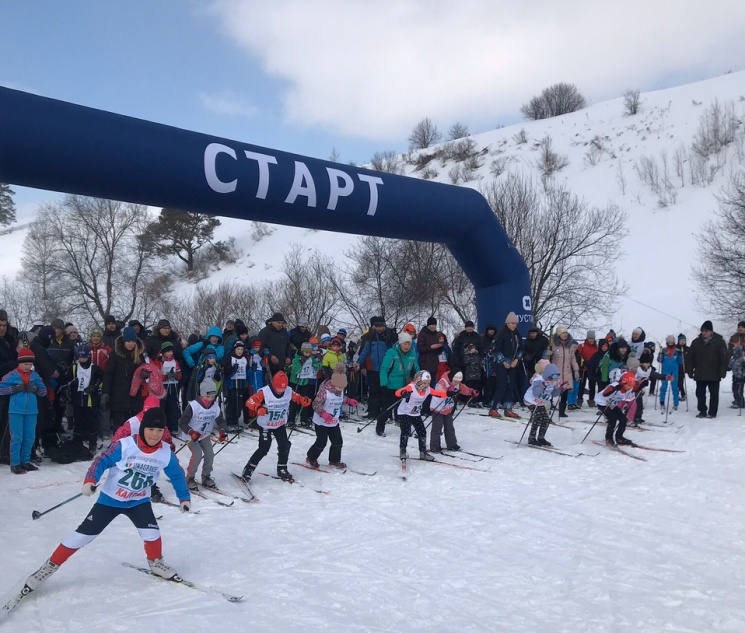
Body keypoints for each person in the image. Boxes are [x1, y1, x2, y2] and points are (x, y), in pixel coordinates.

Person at [23, 408, 191, 595]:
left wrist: (184, 498)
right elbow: (101, 461)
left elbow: (177, 475)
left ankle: (156, 563)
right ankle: (48, 568)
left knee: (152, 533)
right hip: (111, 500)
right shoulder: (125, 445)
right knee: (83, 536)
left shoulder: (165, 452)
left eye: (160, 431)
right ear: (143, 428)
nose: (155, 434)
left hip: (139, 501)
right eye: (151, 429)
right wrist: (90, 480)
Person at [241, 372, 311, 483]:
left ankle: (282, 468)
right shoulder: (264, 392)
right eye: (278, 388)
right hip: (266, 425)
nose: (281, 391)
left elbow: (297, 397)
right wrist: (258, 407)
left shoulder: (288, 390)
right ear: (273, 384)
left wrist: (303, 400)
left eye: (282, 389)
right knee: (264, 448)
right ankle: (249, 469)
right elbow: (250, 401)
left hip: (279, 424)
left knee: (285, 445)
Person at [0, 348, 48, 473]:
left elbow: (44, 392)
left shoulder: (35, 376)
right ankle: (15, 463)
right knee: (17, 437)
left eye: (30, 364)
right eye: (25, 364)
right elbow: (1, 389)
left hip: (32, 411)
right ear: (19, 363)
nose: (28, 366)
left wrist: (35, 389)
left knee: (29, 437)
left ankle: (25, 461)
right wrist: (14, 389)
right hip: (16, 411)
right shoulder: (12, 375)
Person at [306, 363, 359, 468]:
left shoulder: (341, 390)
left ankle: (334, 460)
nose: (340, 389)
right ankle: (311, 458)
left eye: (343, 387)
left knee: (338, 441)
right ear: (334, 384)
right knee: (321, 442)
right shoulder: (324, 392)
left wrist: (348, 400)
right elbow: (315, 404)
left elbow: (339, 399)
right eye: (339, 387)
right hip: (321, 422)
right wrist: (323, 413)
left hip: (334, 421)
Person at [179, 379, 227, 490]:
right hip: (191, 436)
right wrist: (191, 432)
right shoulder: (193, 406)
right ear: (201, 395)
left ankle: (206, 476)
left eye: (212, 397)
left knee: (210, 454)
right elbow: (182, 423)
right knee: (197, 454)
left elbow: (221, 421)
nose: (210, 400)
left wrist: (222, 431)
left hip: (204, 435)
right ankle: (190, 477)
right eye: (207, 397)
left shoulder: (215, 407)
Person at [102, 326, 147, 431]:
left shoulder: (139, 355)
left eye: (133, 341)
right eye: (128, 341)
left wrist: (145, 374)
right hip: (118, 395)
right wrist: (105, 392)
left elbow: (145, 369)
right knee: (119, 425)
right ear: (123, 341)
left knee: (133, 425)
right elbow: (109, 374)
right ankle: (118, 444)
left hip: (134, 396)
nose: (131, 344)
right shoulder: (115, 354)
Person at [394, 370, 446, 461]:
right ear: (418, 380)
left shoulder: (428, 389)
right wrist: (404, 393)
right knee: (406, 431)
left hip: (415, 414)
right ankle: (403, 451)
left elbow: (439, 394)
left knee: (422, 432)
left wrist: (449, 393)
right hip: (404, 412)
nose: (426, 385)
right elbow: (398, 392)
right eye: (424, 382)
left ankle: (423, 453)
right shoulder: (411, 387)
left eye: (428, 383)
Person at [356, 316, 396, 427]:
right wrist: (359, 362)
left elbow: (395, 350)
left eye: (380, 326)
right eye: (377, 326)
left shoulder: (390, 335)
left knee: (385, 392)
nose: (378, 328)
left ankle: (386, 414)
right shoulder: (372, 336)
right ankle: (373, 412)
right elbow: (365, 351)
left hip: (386, 369)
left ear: (384, 325)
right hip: (374, 368)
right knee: (373, 391)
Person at [379, 332, 420, 437]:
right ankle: (380, 428)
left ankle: (405, 429)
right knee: (386, 408)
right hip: (391, 385)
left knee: (405, 409)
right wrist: (383, 384)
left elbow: (416, 369)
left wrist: (419, 381)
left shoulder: (412, 354)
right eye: (405, 344)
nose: (407, 346)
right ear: (400, 343)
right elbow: (384, 369)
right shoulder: (392, 352)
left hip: (405, 386)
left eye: (409, 344)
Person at [67, 345, 104, 458]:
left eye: (84, 357)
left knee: (91, 421)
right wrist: (68, 390)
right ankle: (77, 442)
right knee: (78, 421)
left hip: (90, 400)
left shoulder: (95, 368)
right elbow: (68, 380)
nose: (81, 359)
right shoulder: (74, 367)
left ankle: (92, 443)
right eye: (79, 357)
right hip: (77, 399)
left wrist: (95, 387)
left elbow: (101, 380)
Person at [687, 320, 729, 418]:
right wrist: (689, 370)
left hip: (714, 373)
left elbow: (724, 358)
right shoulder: (696, 342)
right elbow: (690, 357)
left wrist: (722, 371)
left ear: (711, 331)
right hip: (700, 373)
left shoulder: (719, 342)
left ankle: (712, 412)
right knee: (700, 394)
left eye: (706, 331)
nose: (704, 332)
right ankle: (702, 410)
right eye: (702, 330)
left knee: (714, 394)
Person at [428, 371, 478, 453]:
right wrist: (447, 392)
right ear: (451, 379)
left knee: (449, 427)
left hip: (448, 409)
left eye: (458, 382)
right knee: (437, 428)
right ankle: (434, 446)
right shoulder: (442, 382)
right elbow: (439, 391)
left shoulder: (458, 383)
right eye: (455, 382)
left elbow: (464, 389)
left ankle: (452, 444)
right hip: (438, 409)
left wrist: (471, 391)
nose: (456, 384)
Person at [488, 312, 524, 419]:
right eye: (512, 323)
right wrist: (503, 362)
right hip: (501, 363)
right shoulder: (501, 334)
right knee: (502, 386)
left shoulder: (517, 335)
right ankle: (494, 408)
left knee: (511, 385)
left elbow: (521, 349)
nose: (514, 325)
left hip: (513, 364)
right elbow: (496, 350)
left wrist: (517, 360)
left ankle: (508, 408)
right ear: (507, 323)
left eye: (515, 324)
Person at [594, 371, 638, 446]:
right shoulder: (615, 385)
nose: (630, 388)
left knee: (623, 419)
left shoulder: (628, 388)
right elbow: (605, 394)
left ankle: (619, 437)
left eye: (631, 386)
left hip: (612, 404)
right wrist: (613, 389)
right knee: (613, 419)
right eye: (629, 385)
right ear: (624, 382)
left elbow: (636, 388)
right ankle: (608, 438)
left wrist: (642, 385)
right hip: (602, 403)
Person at [524, 362, 562, 447]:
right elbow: (536, 393)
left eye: (556, 376)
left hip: (541, 402)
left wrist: (559, 388)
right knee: (538, 417)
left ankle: (541, 437)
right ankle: (531, 438)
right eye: (552, 376)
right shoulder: (539, 379)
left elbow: (554, 394)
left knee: (545, 419)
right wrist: (543, 385)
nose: (553, 379)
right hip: (531, 400)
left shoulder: (553, 382)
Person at [289, 341, 322, 428]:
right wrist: (300, 363)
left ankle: (304, 419)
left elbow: (316, 367)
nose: (308, 354)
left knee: (305, 401)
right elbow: (294, 370)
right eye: (306, 352)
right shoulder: (296, 358)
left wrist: (319, 361)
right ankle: (290, 420)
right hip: (296, 382)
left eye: (309, 352)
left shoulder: (311, 358)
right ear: (302, 351)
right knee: (295, 401)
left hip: (305, 382)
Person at [550, 326, 579, 418]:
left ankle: (562, 411)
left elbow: (573, 359)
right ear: (558, 334)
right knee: (552, 390)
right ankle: (549, 406)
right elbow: (550, 359)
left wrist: (576, 370)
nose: (565, 334)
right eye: (563, 333)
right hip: (556, 372)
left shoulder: (570, 346)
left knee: (565, 391)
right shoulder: (553, 345)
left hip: (567, 372)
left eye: (566, 332)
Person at [223, 340, 249, 431]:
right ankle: (230, 422)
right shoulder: (230, 357)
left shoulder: (245, 358)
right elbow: (226, 371)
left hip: (242, 383)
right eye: (238, 349)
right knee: (232, 403)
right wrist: (232, 369)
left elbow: (247, 370)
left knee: (239, 404)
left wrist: (251, 368)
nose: (240, 351)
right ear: (235, 349)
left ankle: (235, 421)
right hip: (232, 384)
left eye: (241, 349)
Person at [158, 341, 182, 434]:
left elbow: (180, 375)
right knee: (163, 406)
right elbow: (157, 375)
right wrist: (166, 377)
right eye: (167, 352)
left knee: (173, 407)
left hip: (173, 386)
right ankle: (163, 427)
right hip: (163, 387)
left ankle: (173, 427)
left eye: (171, 351)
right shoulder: (160, 362)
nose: (170, 353)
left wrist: (176, 375)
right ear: (163, 352)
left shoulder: (175, 362)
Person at [658, 336, 684, 412]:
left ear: (674, 342)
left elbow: (680, 362)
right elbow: (659, 360)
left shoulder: (677, 351)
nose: (670, 344)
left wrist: (680, 355)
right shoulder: (664, 350)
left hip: (674, 372)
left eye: (672, 342)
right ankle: (662, 402)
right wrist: (660, 354)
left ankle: (676, 403)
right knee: (663, 387)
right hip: (665, 372)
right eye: (669, 342)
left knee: (675, 388)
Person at [729, 343, 745, 409]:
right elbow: (729, 366)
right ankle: (736, 400)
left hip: (741, 377)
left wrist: (743, 375)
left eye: (735, 351)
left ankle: (741, 402)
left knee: (739, 390)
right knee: (734, 389)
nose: (734, 352)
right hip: (735, 377)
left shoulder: (742, 360)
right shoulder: (733, 359)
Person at [676, 334, 689, 401]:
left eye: (684, 340)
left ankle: (682, 394)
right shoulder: (676, 348)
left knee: (680, 382)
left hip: (683, 368)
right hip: (676, 367)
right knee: (677, 382)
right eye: (681, 340)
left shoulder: (687, 349)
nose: (682, 342)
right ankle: (678, 394)